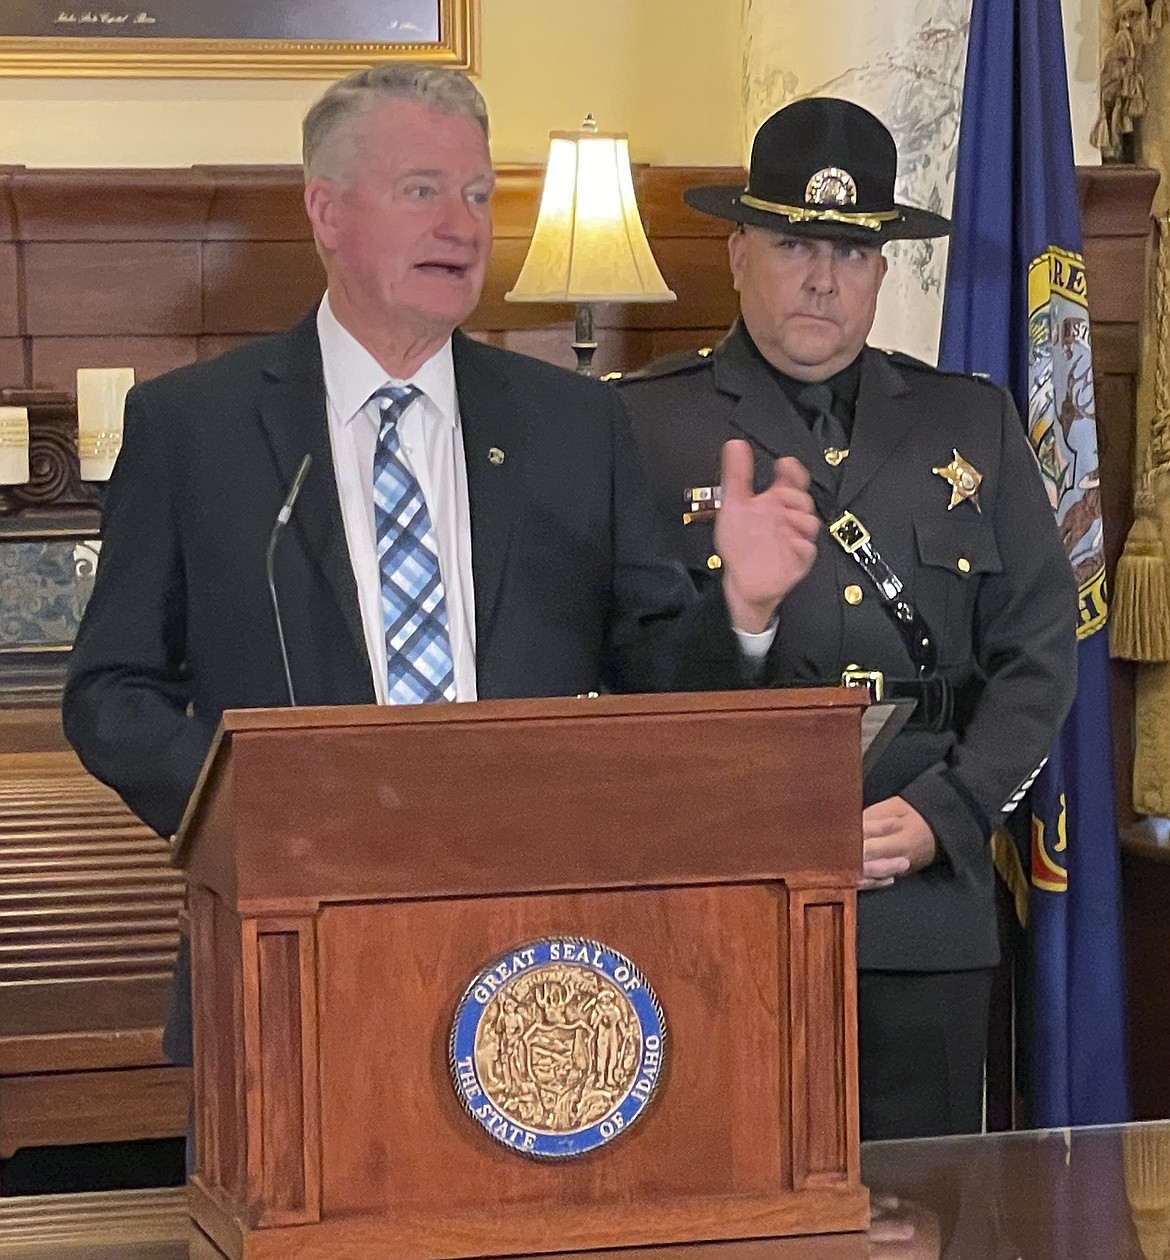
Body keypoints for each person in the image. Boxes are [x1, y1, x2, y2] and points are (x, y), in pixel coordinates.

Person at [60, 64, 820, 1075]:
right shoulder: (197, 428)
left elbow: (656, 675)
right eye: (422, 190)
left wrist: (742, 606)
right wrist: (253, 810)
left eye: (475, 195)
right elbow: (111, 691)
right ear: (326, 211)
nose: (462, 226)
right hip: (284, 953)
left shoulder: (576, 424)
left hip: (539, 962)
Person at [616, 97, 1078, 1141]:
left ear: (882, 271)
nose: (824, 277)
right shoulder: (641, 425)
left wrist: (947, 817)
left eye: (853, 252)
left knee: (925, 1210)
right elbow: (616, 678)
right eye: (792, 244)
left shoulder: (973, 421)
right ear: (737, 251)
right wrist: (738, 612)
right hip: (724, 898)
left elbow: (1039, 655)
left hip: (924, 905)